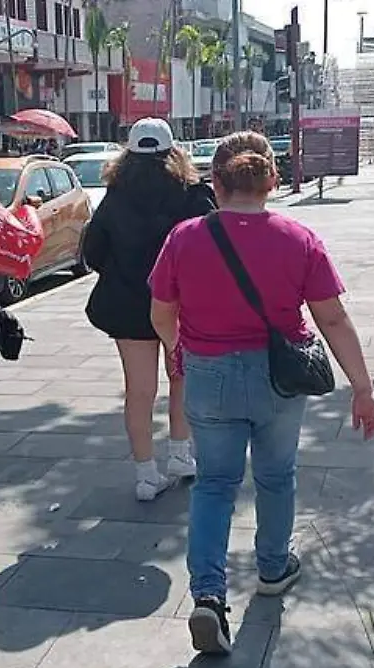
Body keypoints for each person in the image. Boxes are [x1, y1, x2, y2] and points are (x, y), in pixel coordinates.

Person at [148, 131, 374, 655]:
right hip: (279, 377)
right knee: (276, 477)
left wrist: (177, 346)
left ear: (216, 183)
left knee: (214, 485)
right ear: (272, 182)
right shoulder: (299, 239)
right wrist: (363, 388)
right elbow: (333, 319)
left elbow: (160, 311)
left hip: (208, 374)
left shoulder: (184, 237)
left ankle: (209, 595)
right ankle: (273, 567)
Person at [83, 118, 217, 502]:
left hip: (127, 306)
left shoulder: (114, 196)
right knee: (182, 379)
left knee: (139, 390)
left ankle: (145, 475)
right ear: (172, 151)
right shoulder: (192, 194)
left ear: (128, 154)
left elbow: (93, 252)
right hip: (181, 305)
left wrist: (122, 271)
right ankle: (180, 454)